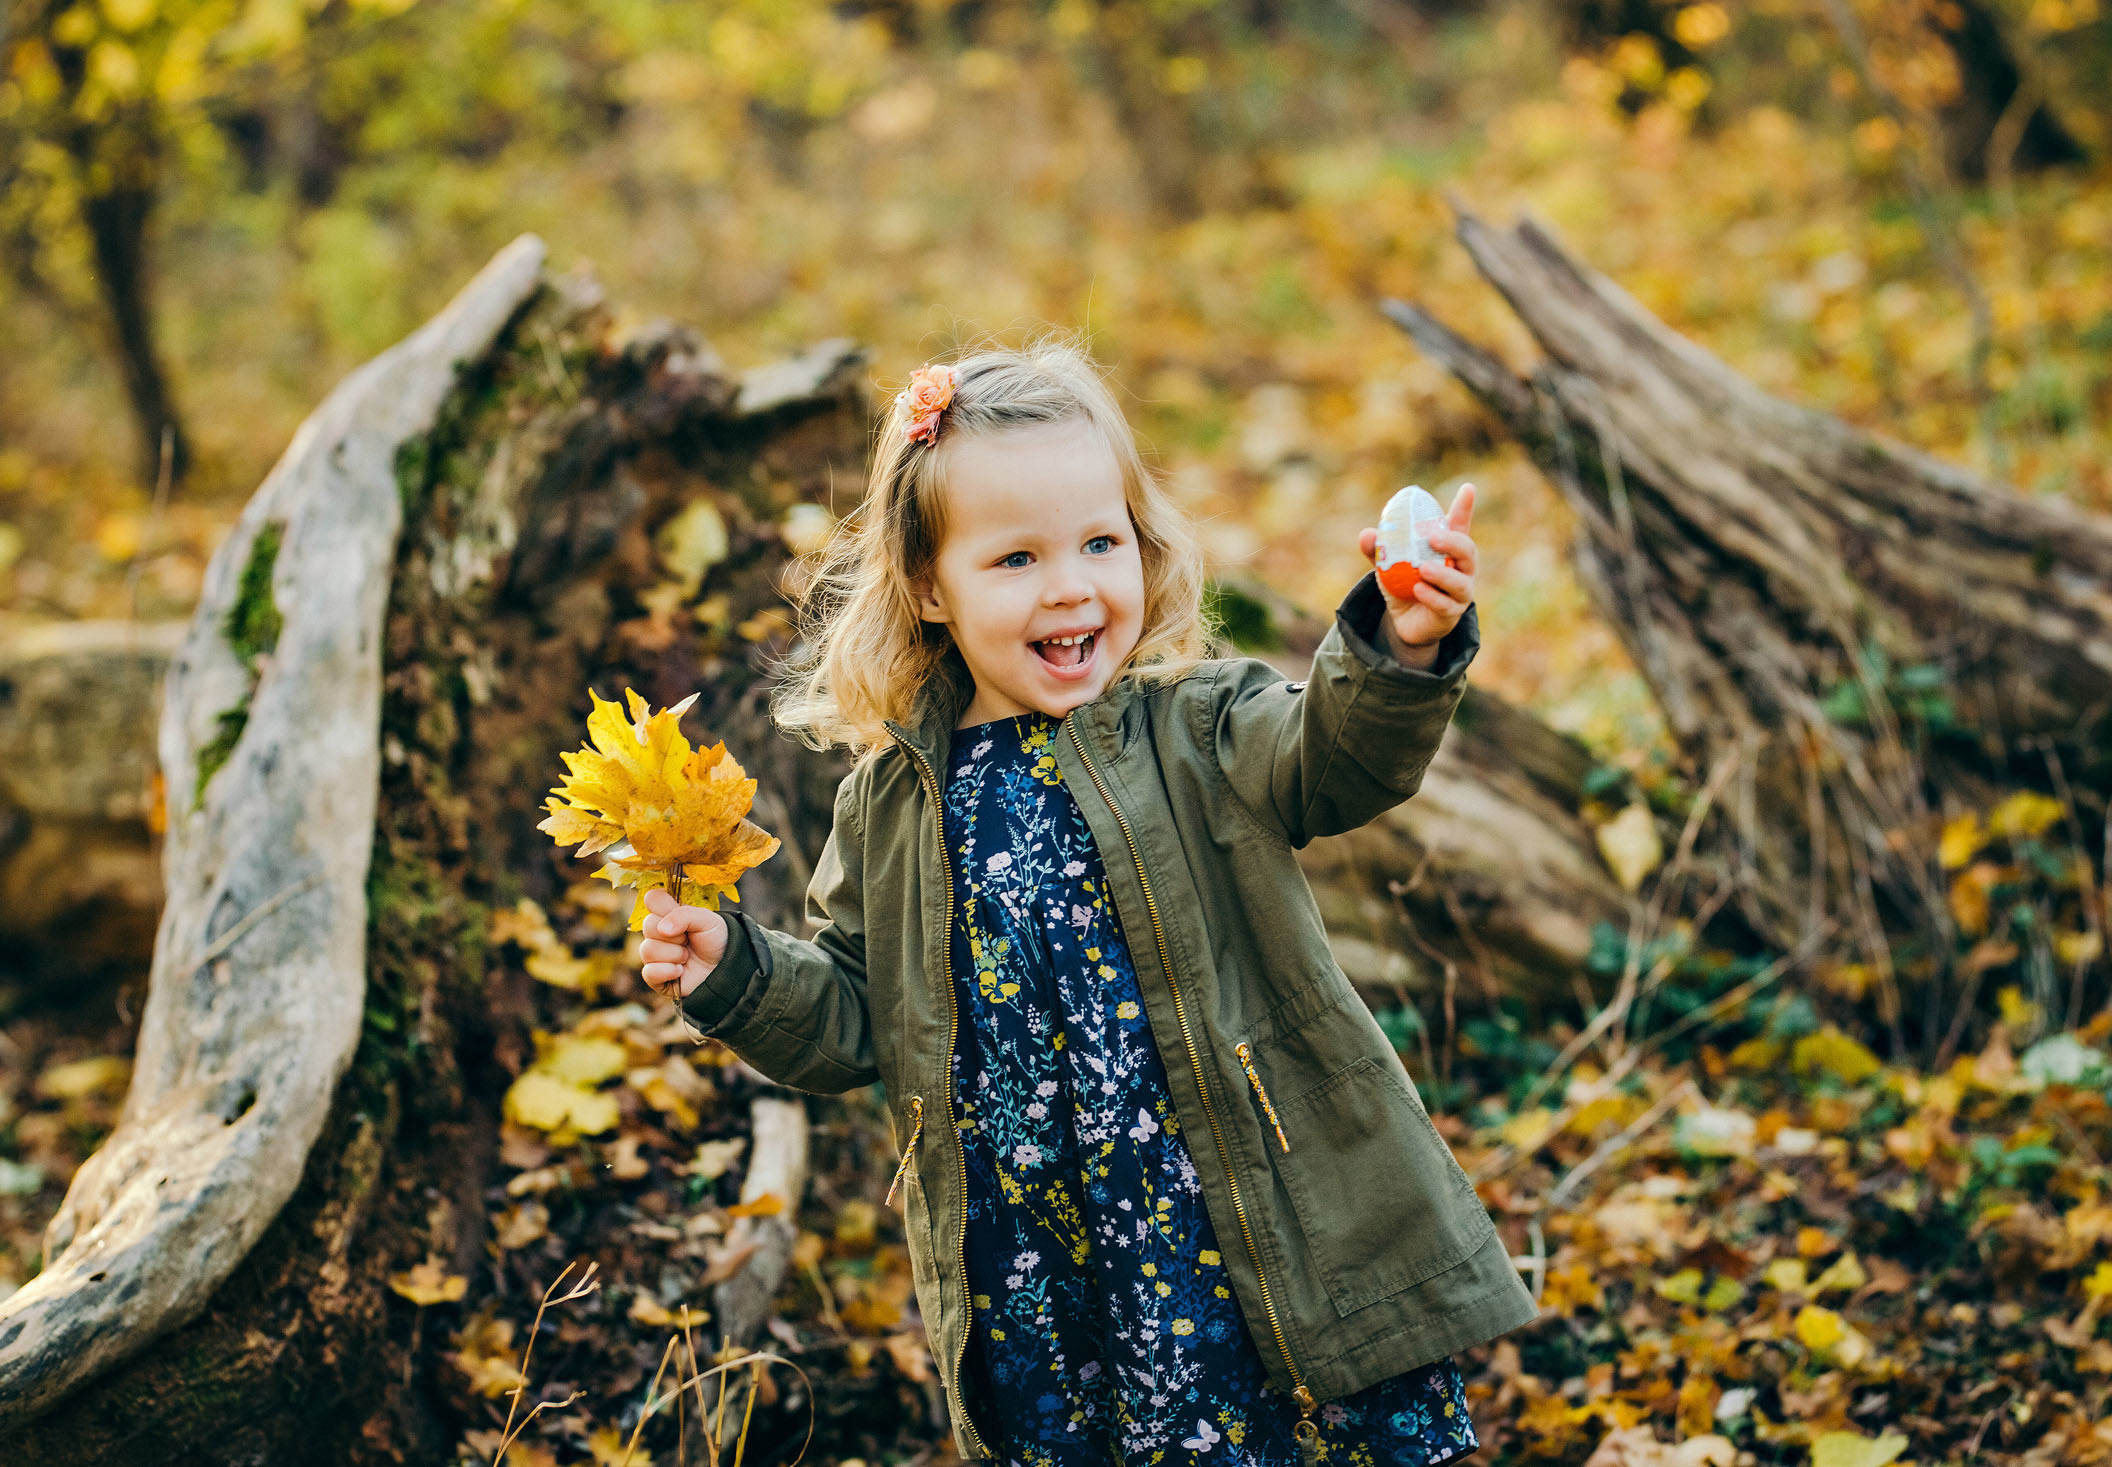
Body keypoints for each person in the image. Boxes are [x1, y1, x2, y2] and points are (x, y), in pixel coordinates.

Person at [635, 339, 1537, 1466]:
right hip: (1050, 1270)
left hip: (1247, 1213)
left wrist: (1401, 644)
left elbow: (1333, 760)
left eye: (1100, 543)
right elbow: (863, 1013)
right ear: (928, 585)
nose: (1071, 585)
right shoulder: (894, 802)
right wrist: (735, 969)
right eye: (1015, 559)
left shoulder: (1195, 723)